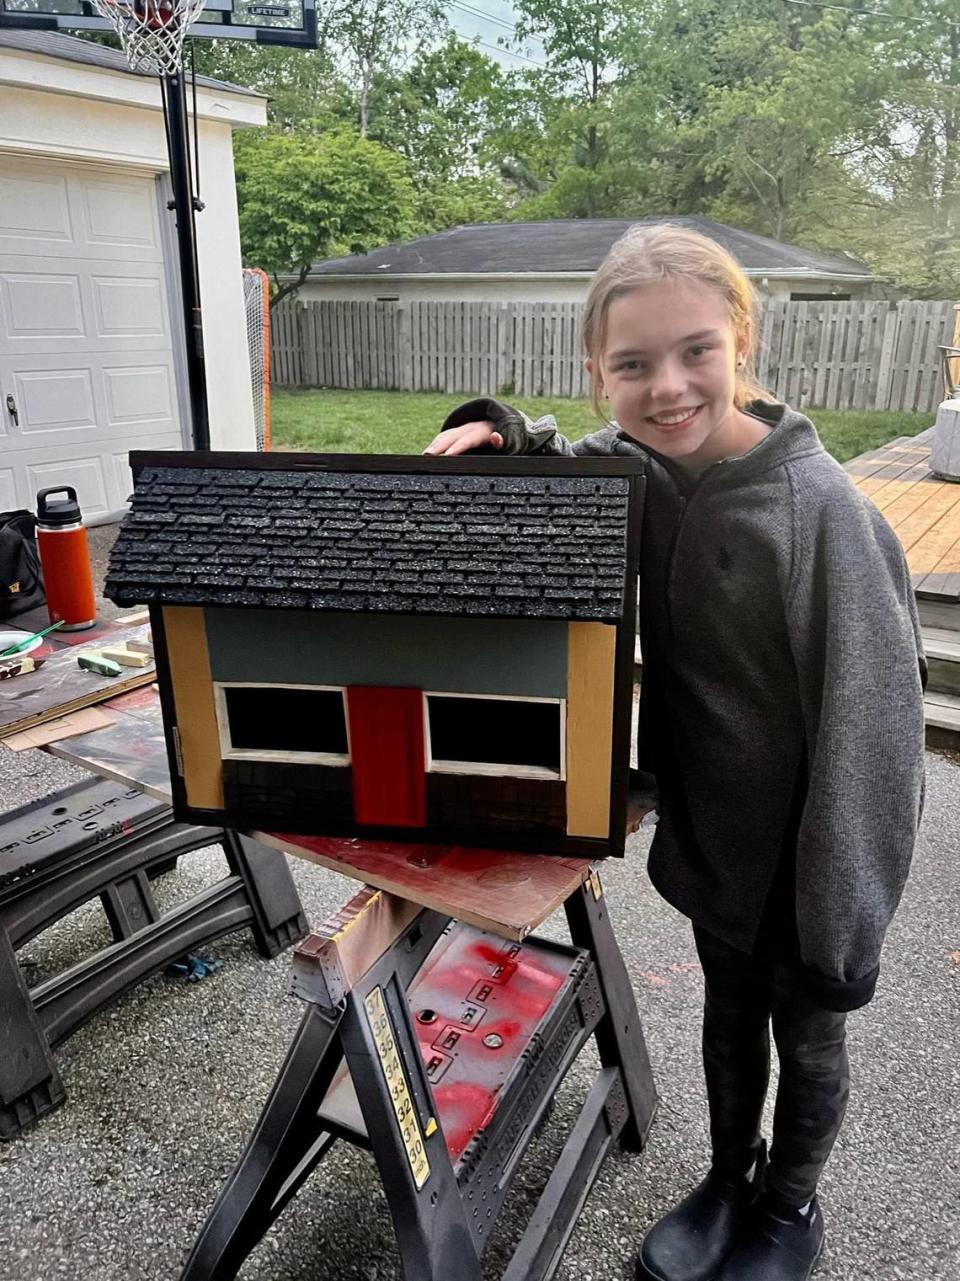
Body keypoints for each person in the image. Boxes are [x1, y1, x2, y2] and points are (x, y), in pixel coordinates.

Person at [423, 224, 926, 1281]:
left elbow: (876, 733)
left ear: (742, 339)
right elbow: (566, 467)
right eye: (633, 365)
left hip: (809, 858)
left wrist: (845, 906)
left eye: (696, 350)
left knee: (811, 1040)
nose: (669, 386)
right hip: (715, 839)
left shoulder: (823, 515)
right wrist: (496, 430)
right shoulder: (641, 473)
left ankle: (788, 1210)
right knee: (726, 1018)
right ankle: (726, 1177)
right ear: (598, 371)